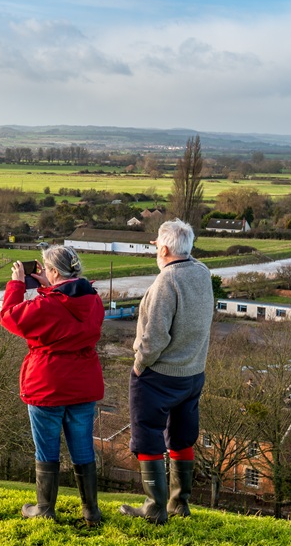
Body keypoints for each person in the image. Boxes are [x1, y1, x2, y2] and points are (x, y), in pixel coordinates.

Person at [0, 245, 105, 524]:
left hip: (47, 384)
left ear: (55, 271)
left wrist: (17, 284)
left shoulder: (46, 305)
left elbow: (9, 316)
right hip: (83, 383)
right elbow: (71, 306)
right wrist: (52, 285)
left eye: (47, 269)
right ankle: (90, 510)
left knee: (47, 449)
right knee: (83, 447)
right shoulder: (93, 300)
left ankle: (45, 508)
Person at [119, 219, 214, 524]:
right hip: (193, 372)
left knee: (148, 434)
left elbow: (154, 337)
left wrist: (139, 364)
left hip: (159, 374)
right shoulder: (202, 272)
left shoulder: (165, 282)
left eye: (157, 247)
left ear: (163, 248)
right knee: (182, 436)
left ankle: (155, 507)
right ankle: (179, 503)